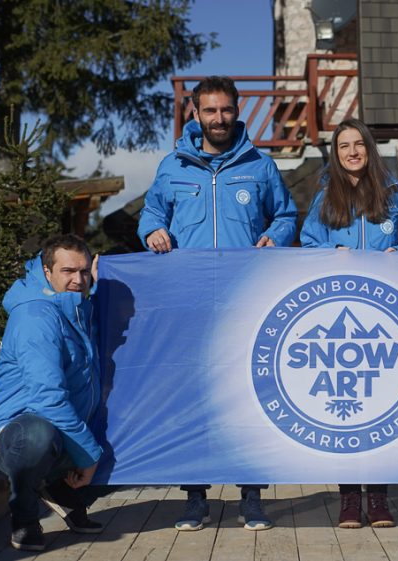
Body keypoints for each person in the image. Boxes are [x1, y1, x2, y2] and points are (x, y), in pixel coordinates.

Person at [137, 76, 298, 532]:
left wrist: (276, 236)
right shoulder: (172, 166)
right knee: (193, 399)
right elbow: (152, 212)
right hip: (188, 303)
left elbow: (285, 214)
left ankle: (252, 497)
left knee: (249, 397)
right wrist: (152, 231)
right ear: (195, 113)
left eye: (226, 110)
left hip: (244, 302)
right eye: (210, 110)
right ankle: (195, 499)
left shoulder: (260, 165)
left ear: (237, 110)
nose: (219, 118)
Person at [300, 118, 398, 528]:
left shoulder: (397, 194)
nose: (352, 152)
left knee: (381, 406)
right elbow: (308, 245)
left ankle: (379, 497)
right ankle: (350, 498)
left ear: (370, 149)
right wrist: (330, 253)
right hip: (340, 323)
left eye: (358, 144)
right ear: (335, 155)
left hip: (385, 320)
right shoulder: (324, 199)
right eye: (344, 146)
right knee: (346, 413)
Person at [0, 235, 104, 551]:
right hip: (17, 432)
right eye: (68, 271)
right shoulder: (35, 317)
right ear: (47, 272)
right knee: (39, 436)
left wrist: (99, 286)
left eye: (84, 271)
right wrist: (88, 455)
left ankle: (59, 491)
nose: (78, 280)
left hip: (62, 429)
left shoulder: (76, 309)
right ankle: (24, 517)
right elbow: (47, 399)